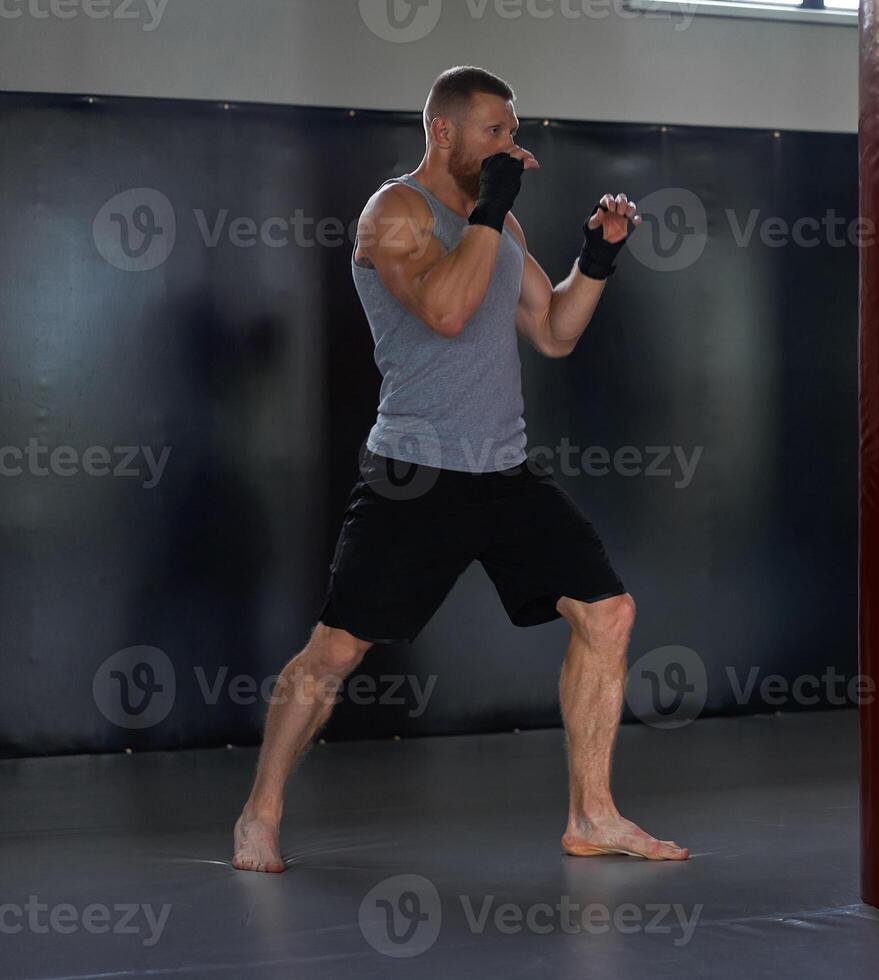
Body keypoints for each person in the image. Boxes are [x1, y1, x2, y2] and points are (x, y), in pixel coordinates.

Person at [231, 66, 687, 872]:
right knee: (337, 652)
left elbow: (552, 331)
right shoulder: (394, 213)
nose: (512, 147)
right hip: (415, 473)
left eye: (514, 133)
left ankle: (593, 814)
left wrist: (598, 258)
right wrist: (491, 207)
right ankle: (260, 813)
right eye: (496, 132)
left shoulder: (499, 230)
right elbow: (445, 313)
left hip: (502, 469)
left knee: (607, 613)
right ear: (444, 131)